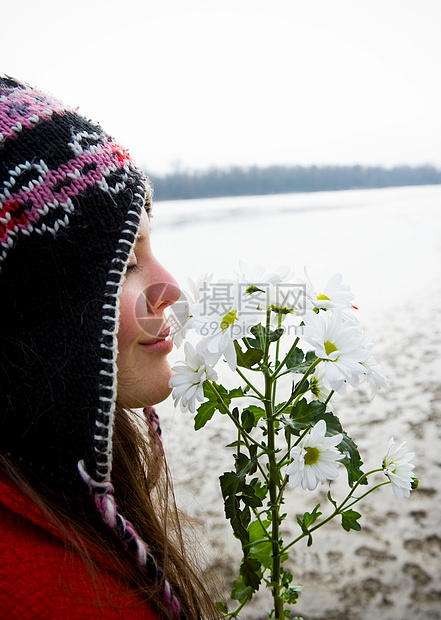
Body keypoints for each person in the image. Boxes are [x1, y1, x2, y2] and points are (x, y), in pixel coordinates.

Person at [0, 76, 220, 619]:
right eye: (125, 261)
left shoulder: (50, 497)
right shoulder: (50, 595)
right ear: (34, 313)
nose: (172, 290)